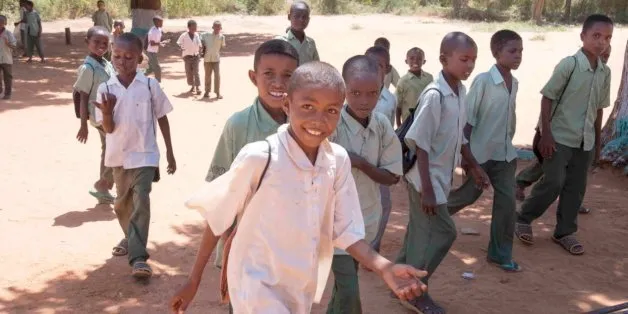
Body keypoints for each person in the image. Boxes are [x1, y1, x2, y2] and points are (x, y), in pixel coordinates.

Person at [171, 61, 427, 314]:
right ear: (287, 105)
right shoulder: (260, 157)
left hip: (299, 288)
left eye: (331, 110)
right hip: (254, 286)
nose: (318, 119)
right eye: (307, 107)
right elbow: (218, 216)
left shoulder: (336, 161)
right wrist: (194, 280)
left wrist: (384, 268)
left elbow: (345, 230)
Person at [396, 32, 489, 314]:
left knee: (417, 233)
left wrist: (473, 165)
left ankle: (399, 283)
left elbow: (458, 137)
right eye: (463, 59)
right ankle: (415, 292)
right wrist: (426, 188)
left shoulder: (460, 91)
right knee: (442, 233)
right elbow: (420, 144)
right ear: (443, 59)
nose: (469, 65)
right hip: (425, 180)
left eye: (473, 59)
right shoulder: (435, 95)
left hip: (438, 179)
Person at [514, 14, 613, 256]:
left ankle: (565, 232)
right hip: (558, 137)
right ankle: (523, 218)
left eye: (608, 37)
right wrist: (546, 134)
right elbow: (548, 97)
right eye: (596, 36)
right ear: (583, 36)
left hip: (585, 141)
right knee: (554, 181)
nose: (601, 42)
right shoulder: (569, 65)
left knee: (576, 187)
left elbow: (598, 109)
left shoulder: (604, 72)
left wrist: (597, 144)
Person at [204, 39, 299, 271]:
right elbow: (220, 190)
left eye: (288, 75)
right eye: (269, 74)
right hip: (244, 247)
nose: (278, 83)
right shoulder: (238, 125)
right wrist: (227, 242)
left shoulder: (305, 126)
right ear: (253, 77)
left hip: (290, 247)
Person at [93, 32, 177, 278]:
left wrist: (170, 153)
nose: (122, 61)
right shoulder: (105, 88)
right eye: (117, 56)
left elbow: (162, 118)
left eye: (129, 57)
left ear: (140, 58)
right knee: (122, 204)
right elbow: (107, 129)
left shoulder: (150, 85)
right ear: (111, 54)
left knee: (141, 199)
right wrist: (107, 113)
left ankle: (139, 258)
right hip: (119, 156)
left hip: (146, 155)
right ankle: (131, 237)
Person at [325, 55, 403, 313]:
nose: (364, 101)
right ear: (343, 89)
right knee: (348, 288)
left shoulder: (381, 125)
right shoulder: (331, 124)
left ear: (381, 90)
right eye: (355, 92)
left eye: (372, 93)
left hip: (367, 219)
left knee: (345, 285)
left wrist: (360, 163)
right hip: (333, 223)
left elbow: (391, 177)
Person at [447, 30, 523, 272]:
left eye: (520, 51)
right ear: (496, 53)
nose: (518, 56)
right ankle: (429, 217)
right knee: (468, 196)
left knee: (507, 202)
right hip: (480, 154)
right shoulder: (483, 81)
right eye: (512, 51)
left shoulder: (515, 83)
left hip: (505, 154)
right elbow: (468, 120)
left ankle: (500, 254)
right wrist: (465, 157)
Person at [74, 26, 117, 204]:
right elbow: (83, 97)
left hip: (108, 113)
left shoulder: (104, 62)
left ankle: (104, 187)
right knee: (114, 147)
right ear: (87, 42)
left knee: (109, 147)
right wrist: (83, 125)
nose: (101, 46)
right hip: (98, 116)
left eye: (105, 43)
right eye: (96, 42)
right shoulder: (88, 67)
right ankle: (103, 184)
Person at [364, 46, 399, 255]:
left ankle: (373, 245)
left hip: (379, 164)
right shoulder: (348, 92)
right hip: (353, 161)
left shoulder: (389, 99)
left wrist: (391, 163)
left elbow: (390, 133)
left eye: (380, 66)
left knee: (383, 204)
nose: (374, 69)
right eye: (369, 64)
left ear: (387, 70)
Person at [395, 47, 433, 126]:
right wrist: (399, 125)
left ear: (424, 61)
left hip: (426, 121)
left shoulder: (429, 78)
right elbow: (398, 106)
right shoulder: (403, 81)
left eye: (419, 59)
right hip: (409, 123)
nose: (415, 61)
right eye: (412, 58)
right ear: (406, 61)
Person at [277, 0, 319, 65]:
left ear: (308, 19)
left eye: (304, 17)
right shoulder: (280, 42)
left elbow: (316, 65)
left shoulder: (311, 43)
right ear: (289, 17)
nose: (301, 20)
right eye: (297, 16)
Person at [201, 20, 226, 99]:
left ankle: (217, 92)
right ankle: (207, 91)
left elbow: (223, 46)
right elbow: (199, 37)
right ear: (213, 27)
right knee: (207, 76)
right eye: (215, 27)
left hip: (216, 59)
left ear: (221, 28)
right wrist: (202, 44)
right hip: (207, 58)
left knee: (217, 76)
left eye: (219, 27)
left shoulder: (222, 37)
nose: (217, 29)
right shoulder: (206, 35)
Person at [177, 20, 202, 95]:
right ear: (189, 27)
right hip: (187, 56)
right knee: (189, 72)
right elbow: (179, 43)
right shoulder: (184, 35)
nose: (195, 28)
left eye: (196, 26)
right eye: (193, 26)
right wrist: (181, 47)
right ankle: (192, 85)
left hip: (195, 56)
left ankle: (198, 87)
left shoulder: (197, 35)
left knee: (196, 72)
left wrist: (200, 52)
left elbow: (199, 44)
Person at [145, 16, 167, 83]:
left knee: (150, 69)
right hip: (151, 52)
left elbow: (158, 39)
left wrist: (162, 42)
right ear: (156, 22)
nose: (162, 24)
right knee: (157, 68)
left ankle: (138, 77)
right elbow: (152, 44)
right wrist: (160, 43)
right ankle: (157, 83)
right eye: (160, 22)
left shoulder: (159, 29)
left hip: (154, 51)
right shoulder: (152, 31)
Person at [0, 15, 17, 100]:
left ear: (5, 23)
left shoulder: (8, 34)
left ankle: (7, 93)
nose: (0, 24)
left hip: (6, 59)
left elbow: (14, 47)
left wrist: (8, 44)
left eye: (1, 22)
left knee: (8, 77)